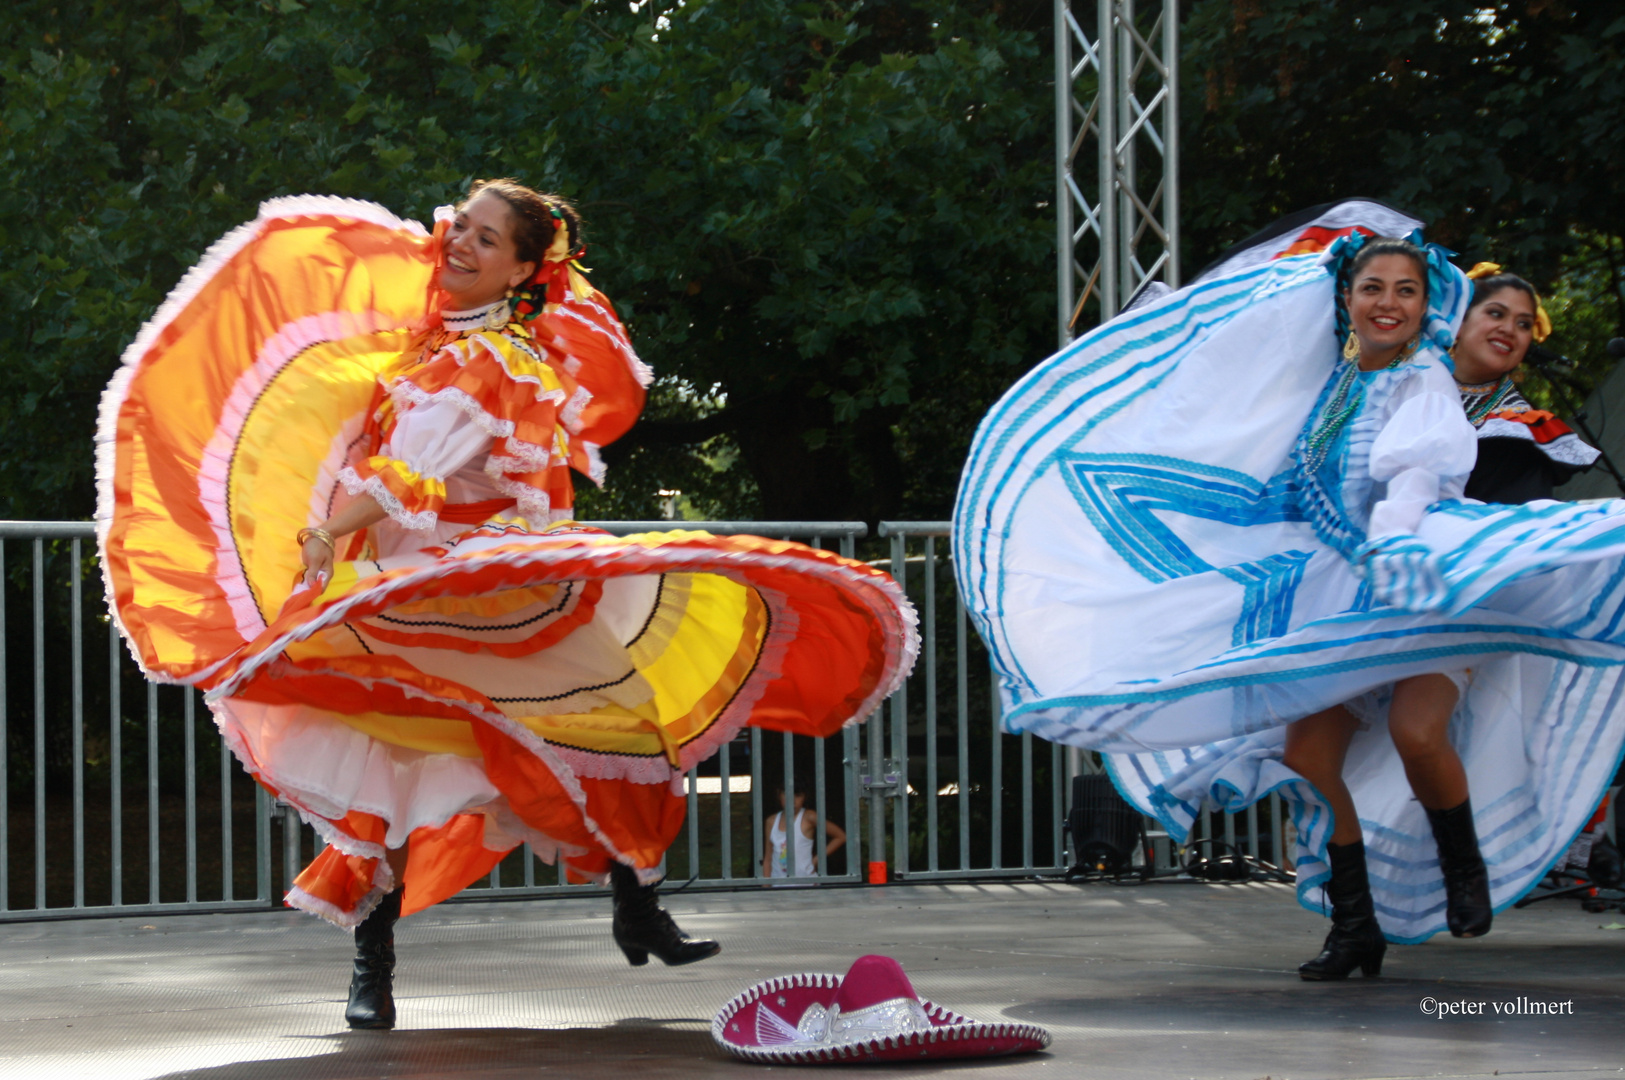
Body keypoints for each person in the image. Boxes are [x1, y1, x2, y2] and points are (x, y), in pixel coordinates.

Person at [99, 181, 919, 1029]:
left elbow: (407, 475)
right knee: (388, 769)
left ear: (524, 270)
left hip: (488, 588)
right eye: (461, 225)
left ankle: (636, 901)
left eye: (487, 241)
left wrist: (324, 535)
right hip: (405, 588)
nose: (459, 243)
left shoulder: (490, 360)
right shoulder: (429, 343)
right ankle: (372, 967)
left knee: (604, 728)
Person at [954, 212, 1625, 978]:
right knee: (1308, 752)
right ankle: (1353, 922)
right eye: (1371, 287)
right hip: (1334, 588)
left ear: (1426, 305)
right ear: (1346, 300)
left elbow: (1414, 476)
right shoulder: (1330, 383)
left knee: (1416, 730)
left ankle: (1460, 866)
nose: (1387, 301)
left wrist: (1399, 539)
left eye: (1405, 290)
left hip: (1427, 582)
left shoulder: (1423, 382)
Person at [1451, 263, 1598, 503]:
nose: (1509, 329)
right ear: (1459, 321)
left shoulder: (1518, 435)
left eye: (1524, 325)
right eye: (1496, 313)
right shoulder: (1406, 379)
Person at [762, 779, 846, 880]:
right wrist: (766, 886)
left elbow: (840, 836)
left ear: (805, 797)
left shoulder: (808, 817)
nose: (792, 800)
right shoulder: (771, 821)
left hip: (805, 883)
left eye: (798, 796)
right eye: (787, 794)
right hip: (778, 885)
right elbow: (768, 857)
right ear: (779, 794)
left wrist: (815, 860)